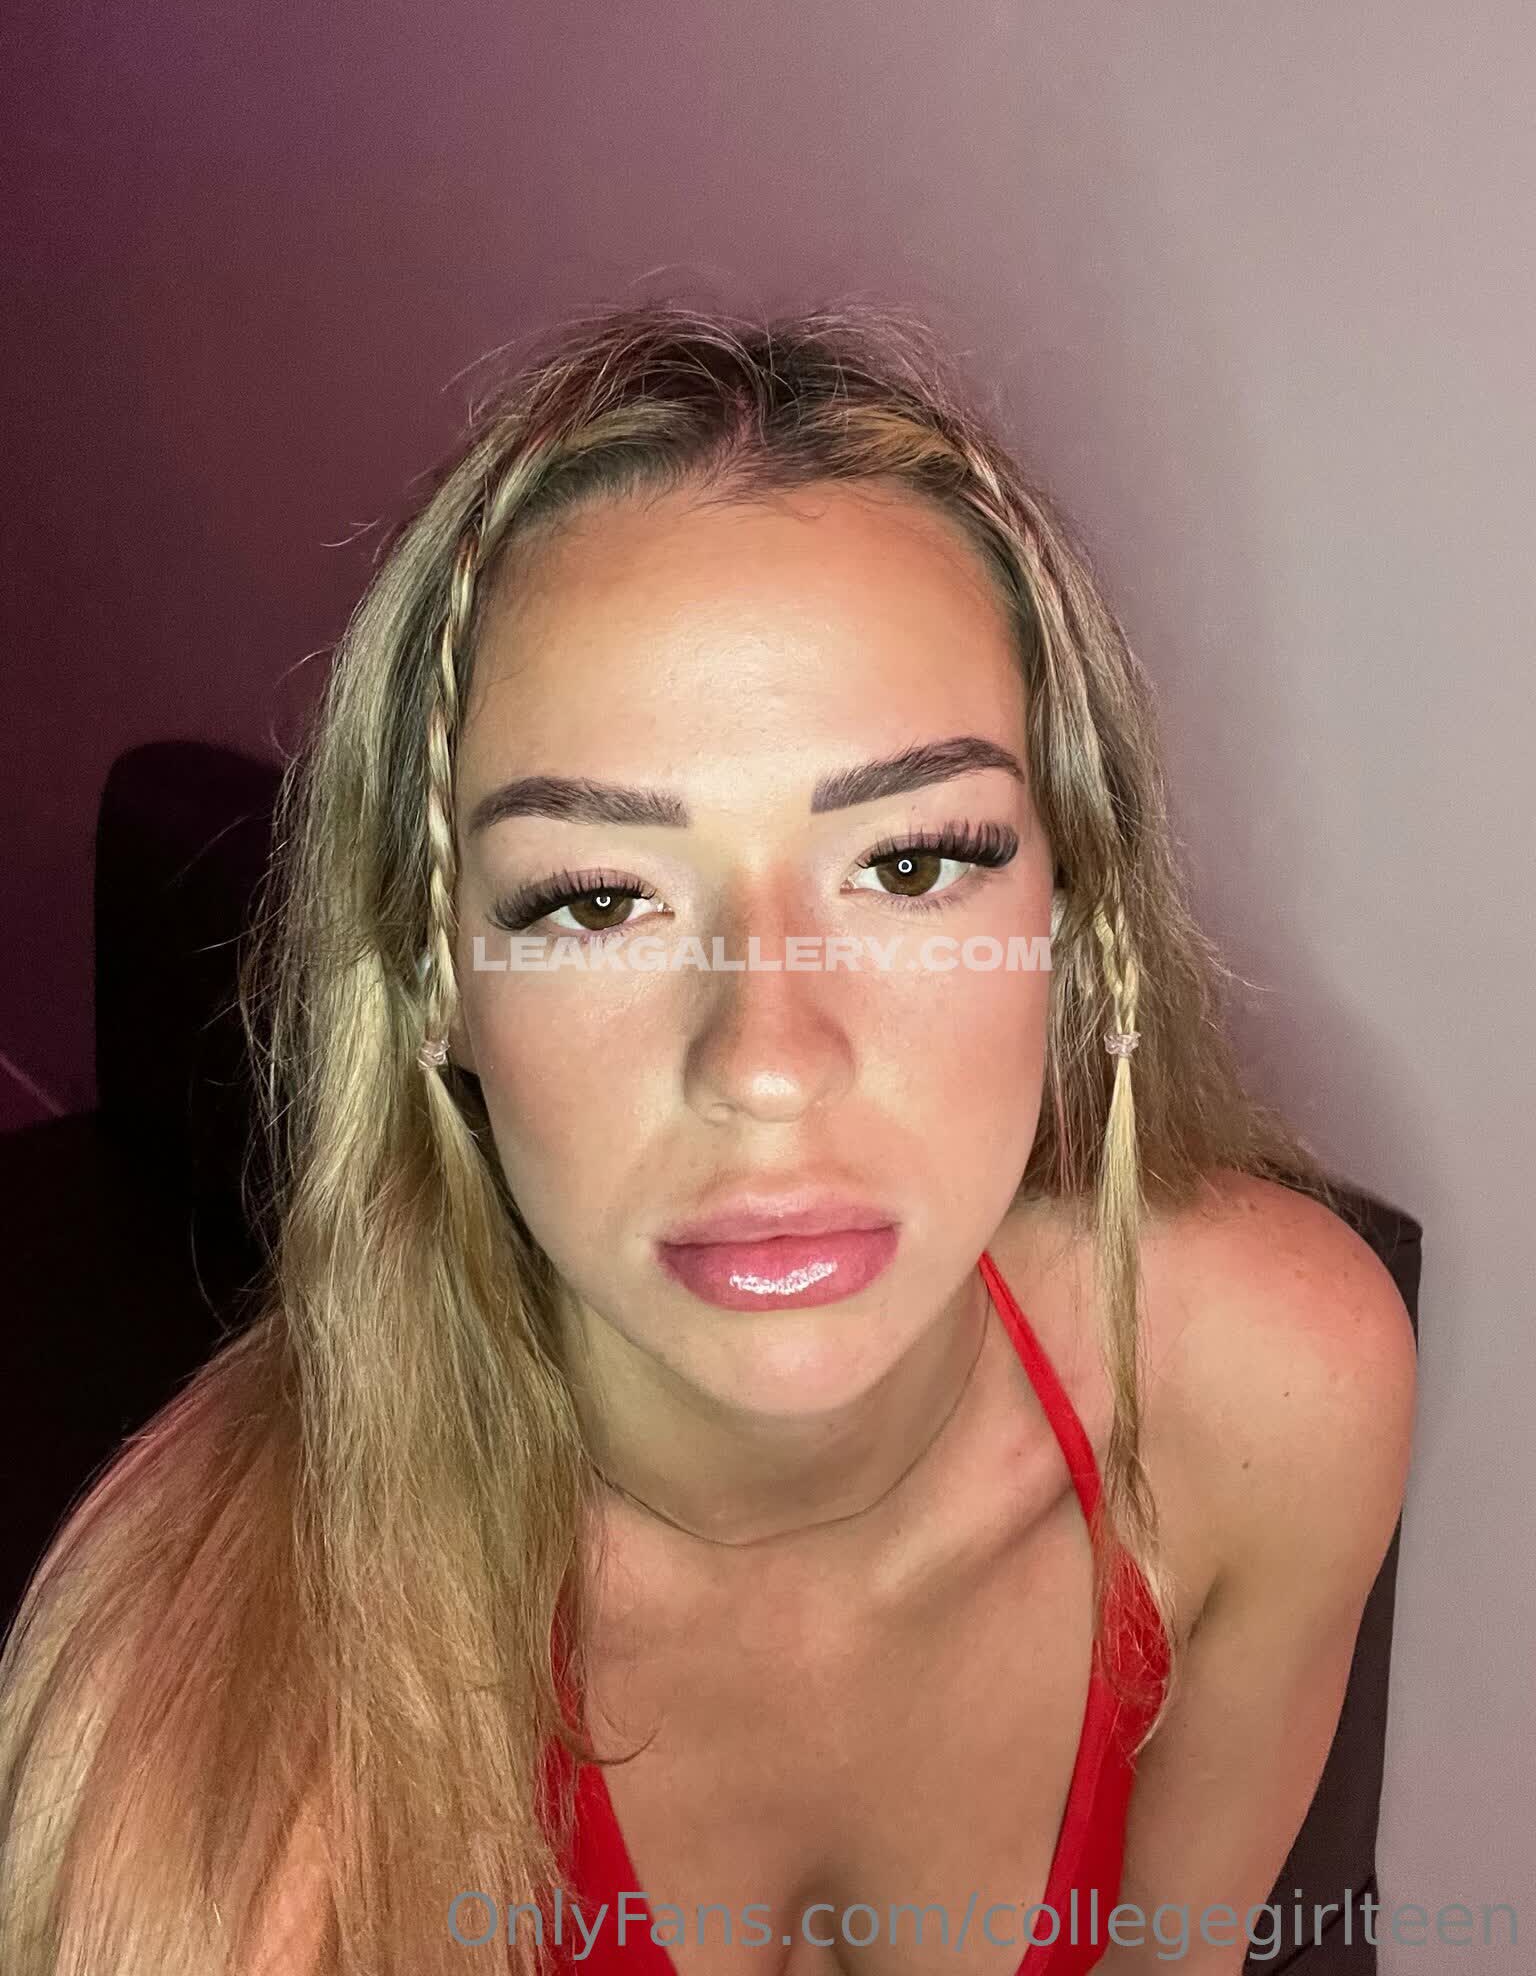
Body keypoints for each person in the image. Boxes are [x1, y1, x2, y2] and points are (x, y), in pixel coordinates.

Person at [0, 301, 1416, 1976]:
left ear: (1077, 928)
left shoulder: (1273, 1401)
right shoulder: (215, 1809)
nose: (767, 1063)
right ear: (435, 988)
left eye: (910, 865)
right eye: (598, 899)